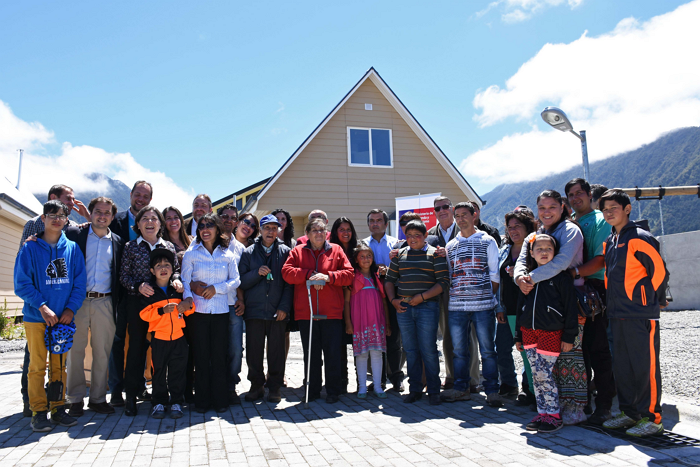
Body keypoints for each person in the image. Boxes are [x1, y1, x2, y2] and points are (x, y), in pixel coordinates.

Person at [514, 190, 587, 425]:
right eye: (542, 208)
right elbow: (521, 262)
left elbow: (561, 263)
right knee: (542, 370)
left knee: (571, 360)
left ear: (562, 207)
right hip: (536, 310)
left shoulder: (570, 230)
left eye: (552, 207)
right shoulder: (534, 235)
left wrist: (530, 279)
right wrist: (520, 279)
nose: (547, 212)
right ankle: (548, 410)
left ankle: (573, 409)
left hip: (567, 304)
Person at [600, 189, 668, 437]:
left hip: (640, 314)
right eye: (605, 209)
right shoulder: (610, 241)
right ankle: (629, 413)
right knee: (623, 367)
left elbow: (659, 272)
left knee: (645, 367)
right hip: (617, 314)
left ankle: (653, 419)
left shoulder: (640, 237)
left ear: (627, 209)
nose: (609, 213)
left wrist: (654, 300)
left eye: (613, 208)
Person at [14, 200, 86, 432]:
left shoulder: (72, 249)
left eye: (61, 215)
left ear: (66, 220)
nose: (57, 219)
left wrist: (70, 309)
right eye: (52, 215)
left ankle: (57, 408)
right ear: (43, 218)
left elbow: (79, 283)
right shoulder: (29, 248)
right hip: (37, 319)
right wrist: (43, 307)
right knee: (36, 367)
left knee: (59, 367)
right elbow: (22, 284)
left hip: (63, 321)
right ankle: (38, 411)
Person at [282, 218, 354, 404]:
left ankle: (333, 391)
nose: (318, 233)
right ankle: (312, 390)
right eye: (314, 230)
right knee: (311, 354)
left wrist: (328, 277)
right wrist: (308, 274)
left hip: (332, 313)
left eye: (322, 230)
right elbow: (287, 272)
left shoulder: (336, 250)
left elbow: (349, 275)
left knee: (332, 354)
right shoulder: (298, 251)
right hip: (307, 313)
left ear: (327, 233)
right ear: (307, 234)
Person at [120, 206, 182, 416]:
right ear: (137, 224)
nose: (149, 222)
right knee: (136, 350)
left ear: (160, 224)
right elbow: (124, 276)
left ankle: (168, 396)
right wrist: (138, 286)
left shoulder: (169, 246)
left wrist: (176, 279)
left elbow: (176, 270)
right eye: (144, 218)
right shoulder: (130, 247)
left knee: (165, 351)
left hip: (165, 306)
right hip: (139, 305)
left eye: (154, 218)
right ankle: (131, 396)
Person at [65, 197, 123, 418]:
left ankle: (98, 399)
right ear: (90, 213)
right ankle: (75, 399)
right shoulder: (75, 235)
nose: (102, 216)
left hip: (105, 302)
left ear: (112, 216)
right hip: (77, 301)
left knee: (102, 352)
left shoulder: (117, 242)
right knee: (75, 352)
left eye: (107, 213)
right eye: (98, 211)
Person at [514, 234, 578, 434]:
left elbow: (570, 309)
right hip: (528, 333)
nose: (543, 252)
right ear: (531, 253)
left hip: (550, 332)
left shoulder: (561, 278)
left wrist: (569, 336)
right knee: (535, 374)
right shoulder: (527, 278)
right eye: (539, 249)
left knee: (544, 373)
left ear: (555, 253)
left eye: (548, 249)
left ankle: (554, 415)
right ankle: (543, 413)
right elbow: (520, 306)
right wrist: (518, 335)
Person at [441, 202, 502, 407]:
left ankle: (492, 391)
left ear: (474, 215)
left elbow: (494, 274)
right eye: (457, 216)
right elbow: (451, 275)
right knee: (459, 351)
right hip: (457, 307)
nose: (461, 219)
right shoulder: (451, 246)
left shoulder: (487, 241)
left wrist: (485, 297)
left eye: (464, 215)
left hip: (483, 306)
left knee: (488, 350)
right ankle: (461, 389)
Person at [565, 178, 615, 425]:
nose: (575, 198)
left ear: (589, 195)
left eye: (579, 193)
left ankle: (604, 406)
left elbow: (601, 259)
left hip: (594, 291)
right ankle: (581, 404)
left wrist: (573, 273)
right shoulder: (569, 223)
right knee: (578, 352)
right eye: (571, 195)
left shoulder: (599, 220)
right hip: (570, 292)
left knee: (598, 350)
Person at [385, 220, 450, 406]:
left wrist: (422, 297)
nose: (413, 239)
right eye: (409, 235)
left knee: (428, 349)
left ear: (425, 236)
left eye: (417, 235)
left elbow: (443, 282)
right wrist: (393, 300)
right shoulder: (400, 254)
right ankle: (415, 389)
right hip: (403, 309)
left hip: (427, 308)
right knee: (410, 349)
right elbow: (389, 280)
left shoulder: (435, 254)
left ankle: (434, 390)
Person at [182, 213, 240, 412]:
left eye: (209, 225)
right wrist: (189, 297)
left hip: (221, 312)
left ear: (217, 229)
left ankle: (220, 400)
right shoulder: (191, 254)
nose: (205, 229)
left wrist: (217, 288)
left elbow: (236, 280)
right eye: (201, 226)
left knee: (219, 357)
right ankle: (202, 401)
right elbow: (185, 281)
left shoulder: (227, 255)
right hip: (198, 313)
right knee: (201, 356)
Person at [238, 215, 293, 403]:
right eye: (267, 228)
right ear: (260, 230)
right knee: (254, 352)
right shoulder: (248, 253)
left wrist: (284, 307)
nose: (271, 231)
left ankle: (274, 387)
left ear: (278, 231)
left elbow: (290, 284)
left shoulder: (286, 252)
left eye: (274, 228)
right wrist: (257, 273)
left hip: (278, 311)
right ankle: (256, 386)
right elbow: (241, 281)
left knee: (276, 352)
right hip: (254, 311)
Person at [108, 180, 153, 407]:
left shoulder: (152, 221)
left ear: (150, 200)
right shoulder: (115, 220)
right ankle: (116, 390)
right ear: (131, 195)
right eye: (138, 194)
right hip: (118, 292)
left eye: (145, 196)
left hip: (144, 296)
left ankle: (139, 386)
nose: (140, 199)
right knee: (117, 341)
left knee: (140, 342)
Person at [139, 249, 195, 419]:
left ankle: (177, 401)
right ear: (151, 270)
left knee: (178, 371)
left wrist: (188, 306)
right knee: (159, 372)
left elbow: (190, 309)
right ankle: (159, 402)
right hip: (159, 339)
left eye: (167, 265)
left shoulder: (177, 289)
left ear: (172, 269)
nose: (163, 268)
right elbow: (143, 315)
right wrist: (161, 311)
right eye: (158, 266)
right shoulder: (150, 291)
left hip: (179, 338)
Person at [497, 210, 537, 406]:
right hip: (507, 307)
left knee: (528, 352)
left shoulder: (534, 248)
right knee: (504, 348)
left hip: (529, 308)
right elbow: (498, 280)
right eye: (510, 227)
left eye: (517, 226)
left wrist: (523, 273)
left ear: (527, 228)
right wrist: (499, 306)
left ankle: (531, 391)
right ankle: (512, 385)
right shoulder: (504, 250)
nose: (513, 231)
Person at [345, 244, 390, 399]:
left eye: (369, 256)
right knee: (361, 354)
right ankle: (362, 387)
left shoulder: (377, 277)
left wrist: (387, 323)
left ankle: (378, 386)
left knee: (377, 353)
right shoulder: (352, 277)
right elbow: (346, 302)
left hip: (377, 321)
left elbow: (384, 302)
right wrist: (348, 323)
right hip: (359, 322)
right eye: (362, 256)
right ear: (356, 260)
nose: (366, 259)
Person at [426, 196, 459, 392]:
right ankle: (451, 376)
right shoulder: (430, 234)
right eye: (438, 208)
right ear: (434, 212)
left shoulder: (464, 229)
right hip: (438, 289)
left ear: (452, 208)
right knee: (445, 335)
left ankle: (471, 379)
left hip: (462, 288)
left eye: (445, 206)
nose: (442, 210)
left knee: (466, 336)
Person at [330, 217, 360, 394]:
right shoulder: (330, 250)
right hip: (336, 302)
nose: (345, 233)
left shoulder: (358, 249)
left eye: (348, 229)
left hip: (358, 302)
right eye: (341, 229)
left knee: (358, 344)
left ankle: (361, 382)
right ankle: (341, 382)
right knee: (338, 345)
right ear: (335, 232)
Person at [272, 208, 297, 388]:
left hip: (287, 294)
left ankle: (281, 371)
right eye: (277, 219)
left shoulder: (293, 244)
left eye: (283, 219)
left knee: (284, 334)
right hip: (268, 294)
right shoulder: (264, 241)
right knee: (270, 335)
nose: (280, 221)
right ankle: (270, 372)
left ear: (287, 223)